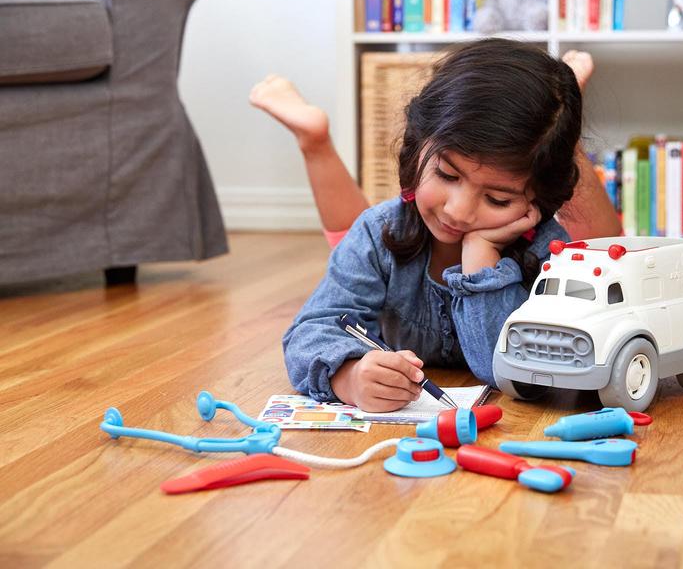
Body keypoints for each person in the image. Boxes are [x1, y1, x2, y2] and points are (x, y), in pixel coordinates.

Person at [250, 39, 620, 412]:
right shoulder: (379, 231)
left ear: (539, 202)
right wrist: (348, 375)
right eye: (446, 174)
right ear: (418, 143)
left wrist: (481, 261)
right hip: (390, 239)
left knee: (600, 251)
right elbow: (310, 331)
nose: (458, 211)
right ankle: (315, 141)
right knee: (352, 232)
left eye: (497, 200)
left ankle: (565, 116)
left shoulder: (547, 252)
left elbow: (507, 369)